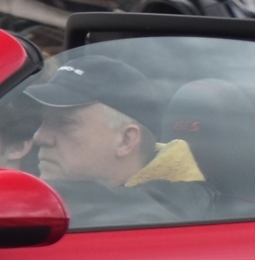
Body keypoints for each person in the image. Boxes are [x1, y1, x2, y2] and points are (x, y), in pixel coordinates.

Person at [23, 51, 209, 222]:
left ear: (125, 140)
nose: (40, 137)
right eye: (43, 121)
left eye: (65, 123)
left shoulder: (158, 217)